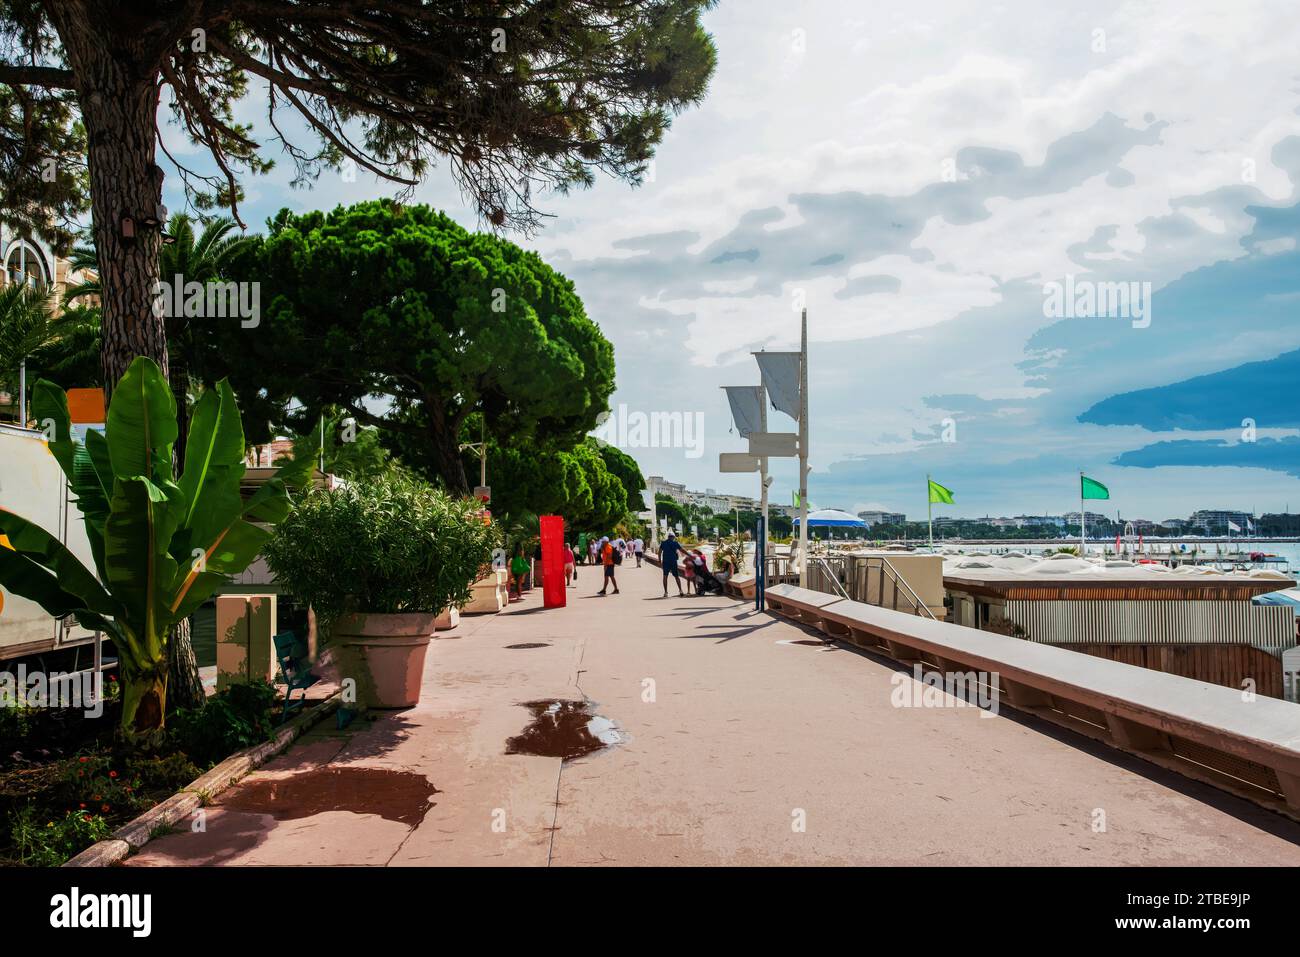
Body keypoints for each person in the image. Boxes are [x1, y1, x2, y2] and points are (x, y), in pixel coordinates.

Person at [659, 533, 685, 597]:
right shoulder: (675, 543)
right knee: (676, 576)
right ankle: (680, 590)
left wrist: (659, 561)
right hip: (673, 561)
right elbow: (682, 550)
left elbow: (659, 552)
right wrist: (689, 555)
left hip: (665, 562)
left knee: (665, 576)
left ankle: (666, 592)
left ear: (668, 537)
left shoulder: (663, 543)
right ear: (673, 537)